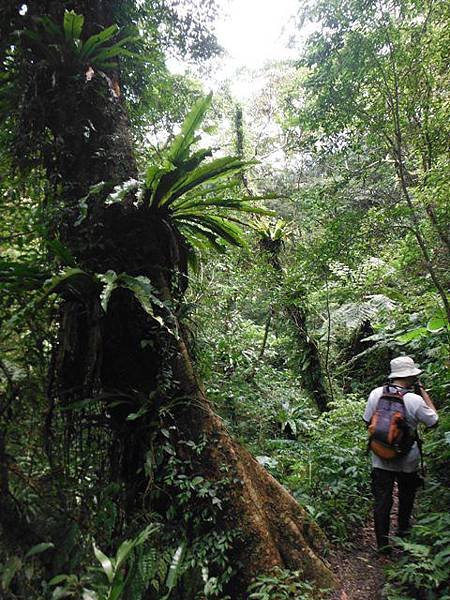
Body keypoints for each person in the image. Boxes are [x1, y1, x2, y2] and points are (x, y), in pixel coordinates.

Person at [363, 356, 438, 554]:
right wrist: (423, 392)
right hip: (408, 460)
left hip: (380, 456)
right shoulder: (415, 399)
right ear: (412, 376)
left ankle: (383, 546)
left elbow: (367, 422)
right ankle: (404, 538)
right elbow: (434, 421)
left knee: (382, 501)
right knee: (406, 498)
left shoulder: (376, 394)